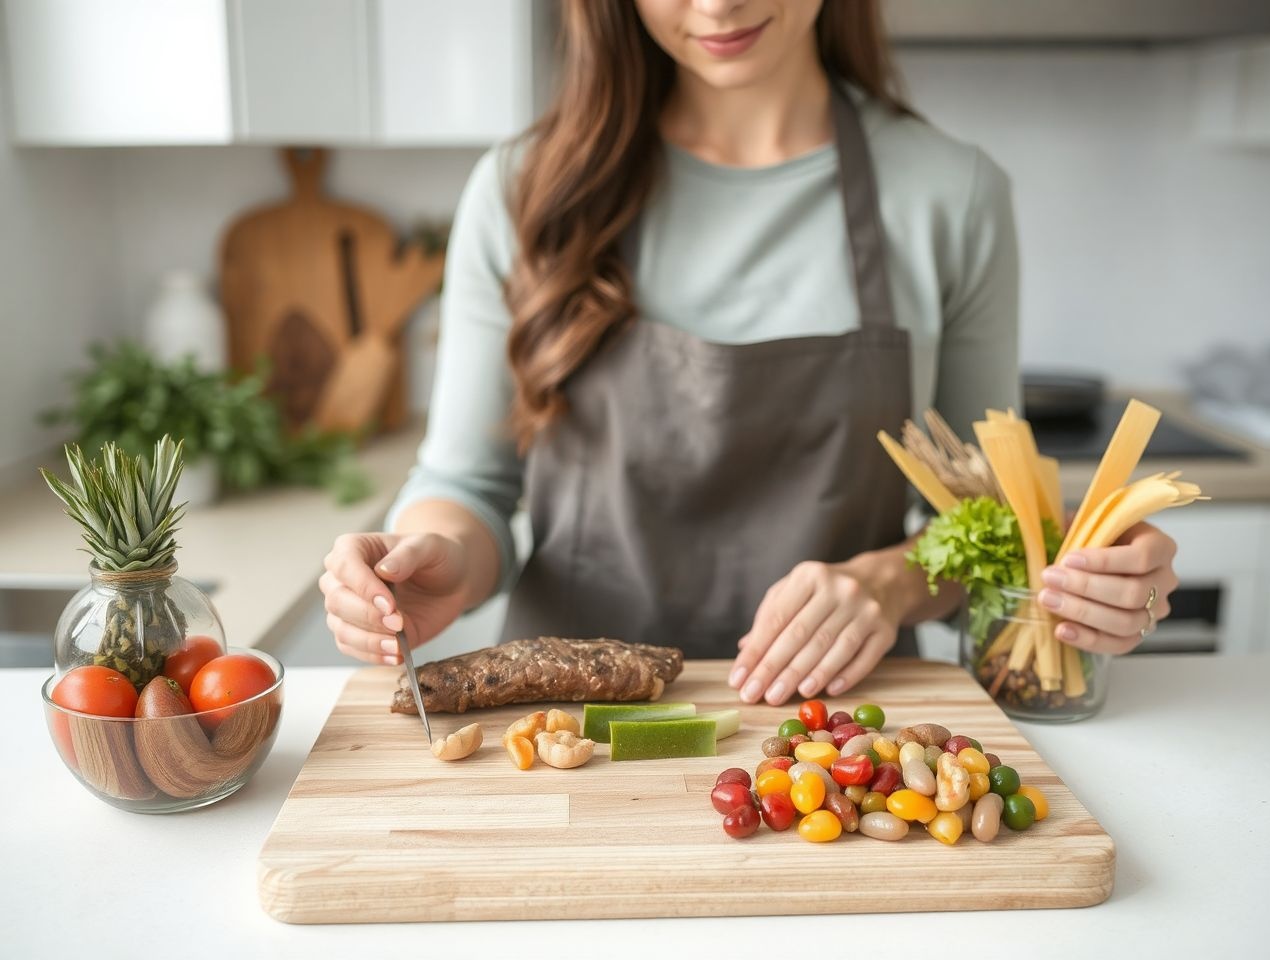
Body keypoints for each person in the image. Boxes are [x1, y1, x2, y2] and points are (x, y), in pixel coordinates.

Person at [319, 0, 1178, 706]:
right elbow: (466, 486)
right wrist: (436, 558)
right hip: (564, 733)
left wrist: (892, 583)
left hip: (849, 732)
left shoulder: (954, 196)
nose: (718, 4)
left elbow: (987, 529)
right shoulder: (523, 189)